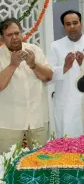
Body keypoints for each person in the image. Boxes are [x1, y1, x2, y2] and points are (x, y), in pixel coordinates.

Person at [0, 18, 53, 153]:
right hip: (9, 122)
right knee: (8, 164)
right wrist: (13, 65)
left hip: (37, 119)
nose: (15, 37)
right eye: (9, 35)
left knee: (40, 162)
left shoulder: (34, 50)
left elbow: (48, 76)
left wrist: (33, 64)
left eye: (17, 33)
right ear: (2, 37)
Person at [47, 10, 84, 138]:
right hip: (66, 103)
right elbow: (49, 74)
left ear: (81, 24)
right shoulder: (55, 46)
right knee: (67, 141)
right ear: (64, 26)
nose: (72, 27)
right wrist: (65, 67)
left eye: (75, 23)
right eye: (68, 24)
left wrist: (83, 64)